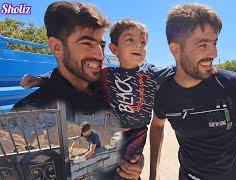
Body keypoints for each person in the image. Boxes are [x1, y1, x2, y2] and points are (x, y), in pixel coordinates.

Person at [149, 4, 236, 180]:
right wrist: (153, 174)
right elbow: (157, 125)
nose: (214, 53)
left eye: (214, 43)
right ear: (176, 49)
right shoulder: (163, 92)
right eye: (203, 45)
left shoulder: (230, 83)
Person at [12, 1, 143, 179]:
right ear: (56, 46)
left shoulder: (114, 93)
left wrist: (136, 160)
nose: (100, 55)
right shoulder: (27, 114)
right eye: (87, 43)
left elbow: (134, 135)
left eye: (101, 45)